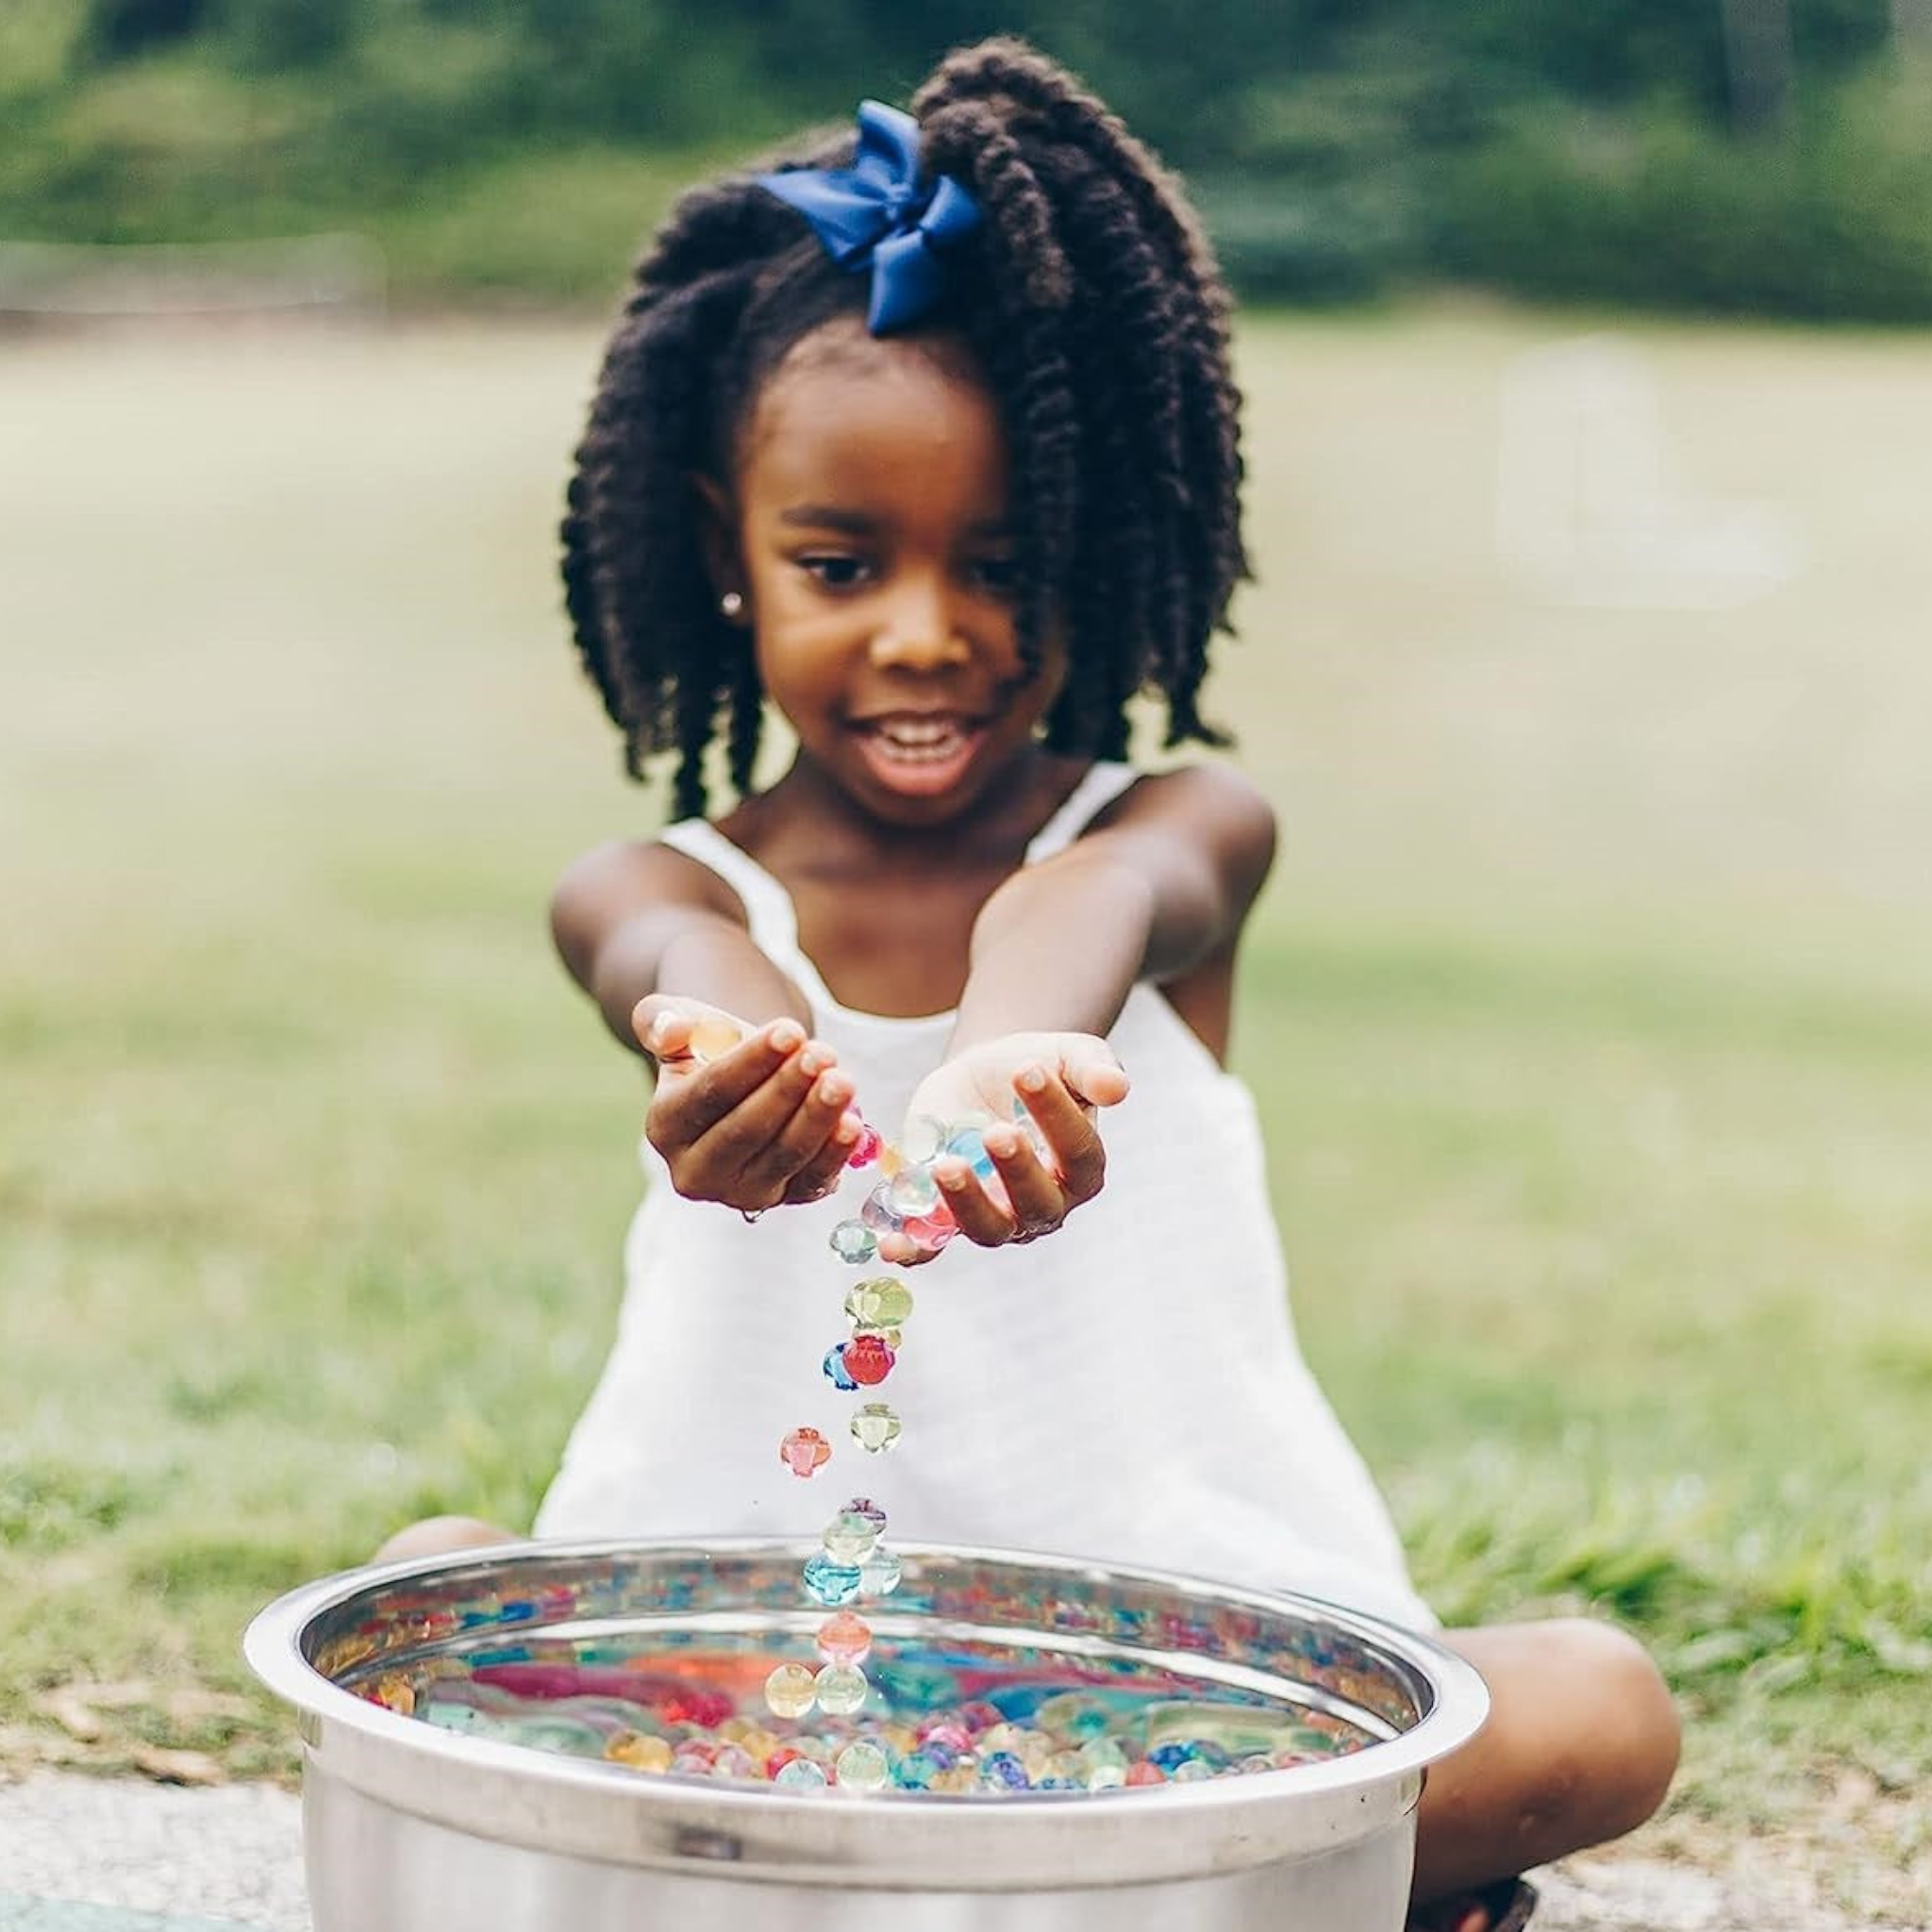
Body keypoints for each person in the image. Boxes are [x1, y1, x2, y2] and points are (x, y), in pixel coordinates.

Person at [380, 39, 1678, 1930]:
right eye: (843, 561)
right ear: (721, 554)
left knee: (1600, 1708)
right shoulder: (655, 887)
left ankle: (1084, 1876)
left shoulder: (1179, 827)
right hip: (760, 1678)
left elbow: (1092, 899)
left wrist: (1010, 1060)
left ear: (1098, 535)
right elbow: (682, 957)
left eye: (1002, 560)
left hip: (1162, 1687)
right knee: (430, 1573)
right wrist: (735, 1054)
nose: (930, 632)